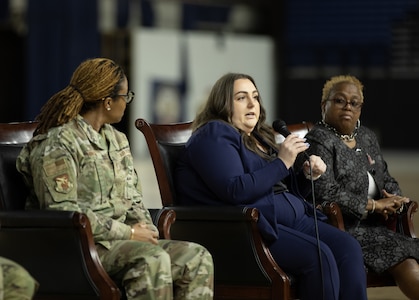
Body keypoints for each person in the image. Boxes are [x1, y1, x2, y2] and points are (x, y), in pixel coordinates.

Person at [16, 57, 214, 300]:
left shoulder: (117, 141)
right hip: (80, 247)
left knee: (196, 257)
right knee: (152, 260)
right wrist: (128, 233)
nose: (128, 102)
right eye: (126, 96)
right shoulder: (59, 143)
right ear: (108, 102)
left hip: (123, 242)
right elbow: (62, 211)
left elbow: (133, 199)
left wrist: (148, 231)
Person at [174, 72, 367, 300]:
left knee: (348, 247)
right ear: (222, 103)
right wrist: (283, 162)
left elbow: (282, 188)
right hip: (252, 229)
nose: (251, 103)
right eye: (241, 97)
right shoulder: (214, 133)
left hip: (291, 220)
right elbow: (234, 190)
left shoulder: (257, 136)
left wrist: (306, 175)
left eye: (255, 97)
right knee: (320, 257)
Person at [297, 74, 419, 299]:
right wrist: (373, 205)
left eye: (354, 103)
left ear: (360, 109)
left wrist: (395, 198)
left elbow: (386, 176)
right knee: (407, 258)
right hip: (345, 229)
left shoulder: (367, 137)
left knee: (410, 255)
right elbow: (324, 191)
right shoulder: (319, 141)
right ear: (324, 105)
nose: (347, 107)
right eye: (340, 100)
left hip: (378, 226)